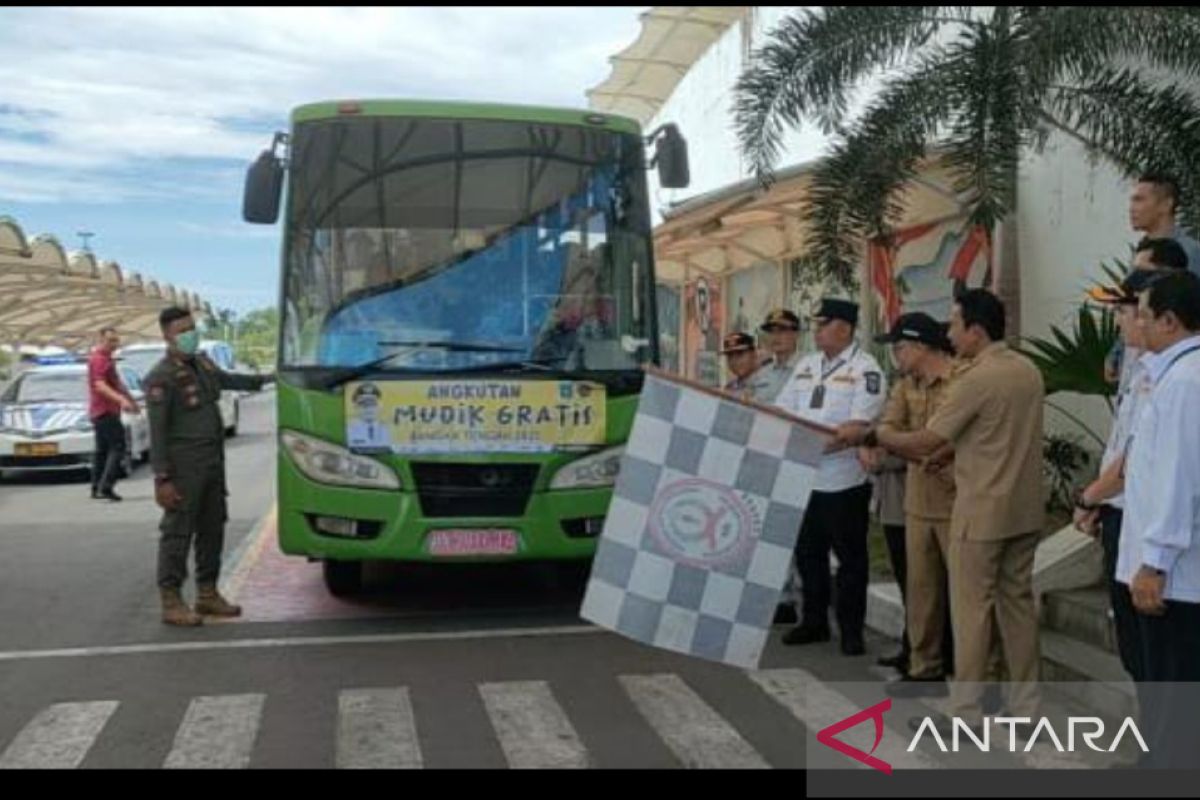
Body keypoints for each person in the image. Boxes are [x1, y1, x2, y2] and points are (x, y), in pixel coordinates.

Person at [836, 289, 1044, 734]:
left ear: (975, 329)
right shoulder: (1027, 370)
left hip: (979, 511)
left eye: (953, 324)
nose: (948, 333)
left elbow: (927, 441)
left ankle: (966, 711)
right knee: (1019, 610)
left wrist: (872, 437)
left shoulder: (975, 379)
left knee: (970, 613)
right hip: (1024, 512)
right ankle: (1026, 708)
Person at [1076, 250, 1188, 682]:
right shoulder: (1142, 368)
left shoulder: (1179, 378)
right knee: (1137, 648)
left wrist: (1088, 496)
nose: (1122, 322)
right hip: (1124, 510)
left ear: (1162, 316)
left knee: (1157, 655)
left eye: (1128, 310)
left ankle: (1164, 747)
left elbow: (1163, 468)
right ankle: (1154, 743)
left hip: (1148, 524)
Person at [146, 307, 274, 627]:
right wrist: (163, 479)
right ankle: (172, 600)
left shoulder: (202, 364)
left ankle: (207, 594)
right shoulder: (160, 378)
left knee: (212, 528)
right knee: (177, 534)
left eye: (192, 329)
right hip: (183, 469)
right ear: (167, 335)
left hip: (212, 463)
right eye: (182, 331)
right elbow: (157, 433)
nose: (190, 335)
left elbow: (231, 380)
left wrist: (271, 378)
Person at [775, 298, 887, 655]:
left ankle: (852, 630)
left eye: (822, 324)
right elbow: (783, 413)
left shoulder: (866, 370)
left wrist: (808, 445)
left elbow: (855, 429)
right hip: (804, 479)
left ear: (844, 327)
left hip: (844, 483)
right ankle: (814, 621)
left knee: (851, 560)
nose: (816, 331)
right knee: (809, 556)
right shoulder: (806, 365)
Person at [1120, 270, 1200, 768]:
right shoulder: (1172, 374)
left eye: (1145, 315)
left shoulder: (1187, 382)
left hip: (1177, 576)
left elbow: (1178, 477)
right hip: (1171, 570)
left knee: (1177, 704)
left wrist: (1154, 562)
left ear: (1170, 321)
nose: (1137, 324)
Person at [868, 313, 958, 695]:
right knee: (921, 591)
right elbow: (888, 426)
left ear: (921, 347)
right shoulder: (905, 385)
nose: (896, 355)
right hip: (917, 500)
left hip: (956, 502)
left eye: (900, 347)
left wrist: (902, 441)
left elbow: (940, 440)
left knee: (961, 593)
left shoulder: (960, 382)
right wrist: (909, 442)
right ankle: (925, 668)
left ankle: (968, 670)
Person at [87, 326, 139, 502]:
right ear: (101, 340)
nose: (114, 344)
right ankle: (106, 486)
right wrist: (121, 400)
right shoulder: (99, 359)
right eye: (110, 340)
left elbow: (118, 384)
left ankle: (96, 487)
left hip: (103, 411)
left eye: (116, 340)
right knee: (118, 447)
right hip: (105, 410)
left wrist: (131, 400)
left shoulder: (108, 359)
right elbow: (100, 386)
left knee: (102, 450)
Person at [720, 332, 766, 400]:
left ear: (754, 353)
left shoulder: (767, 382)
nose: (734, 361)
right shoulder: (729, 388)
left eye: (740, 354)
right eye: (730, 356)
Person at [347, 382, 393, 450]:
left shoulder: (386, 430)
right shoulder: (350, 430)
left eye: (373, 403)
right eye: (363, 404)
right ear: (355, 407)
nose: (369, 408)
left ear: (380, 406)